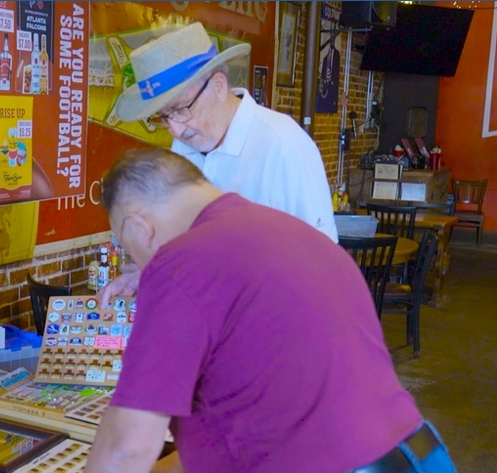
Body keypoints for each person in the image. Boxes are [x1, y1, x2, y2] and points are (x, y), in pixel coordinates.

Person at [61, 148, 462, 473]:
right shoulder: (287, 232)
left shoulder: (180, 262)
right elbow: (276, 385)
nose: (139, 263)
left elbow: (127, 444)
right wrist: (178, 465)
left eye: (129, 247)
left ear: (141, 226)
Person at [104, 21, 338, 301]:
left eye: (180, 109)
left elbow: (323, 262)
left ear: (218, 85)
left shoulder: (282, 144)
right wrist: (146, 274)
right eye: (163, 117)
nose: (176, 130)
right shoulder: (184, 145)